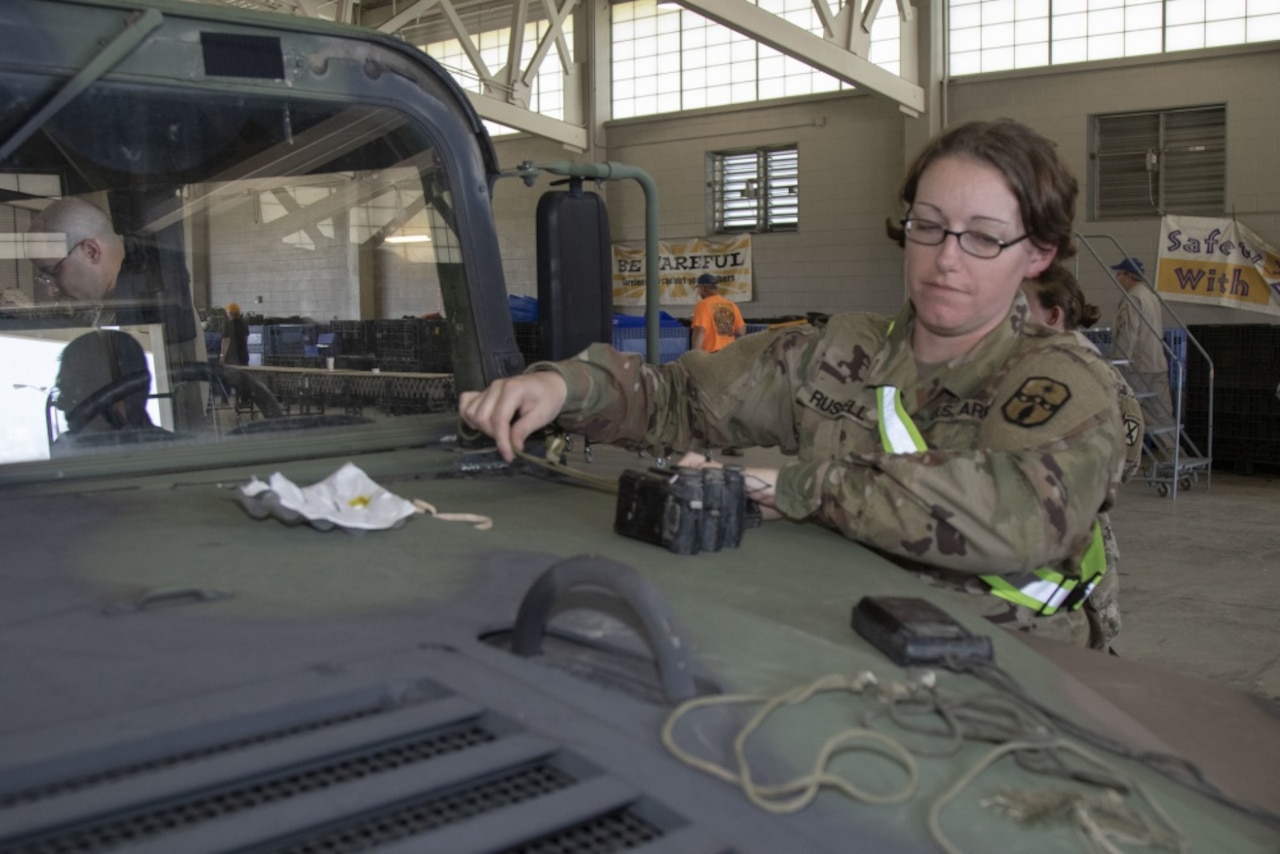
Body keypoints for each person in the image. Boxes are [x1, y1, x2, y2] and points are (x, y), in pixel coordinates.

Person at [460, 119, 1128, 648]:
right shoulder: (836, 352)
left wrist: (795, 488)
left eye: (982, 238)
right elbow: (679, 397)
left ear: (1037, 254)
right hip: (848, 644)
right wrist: (562, 387)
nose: (946, 258)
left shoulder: (1064, 383)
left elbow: (1016, 516)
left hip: (1018, 673)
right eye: (928, 227)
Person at [1022, 267, 1145, 650]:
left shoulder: (1096, 377)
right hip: (1020, 550)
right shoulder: (1010, 373)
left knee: (1090, 650)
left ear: (1053, 315)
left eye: (1016, 306)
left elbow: (1128, 457)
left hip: (1081, 547)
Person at [50, 330, 175, 456]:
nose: (61, 404)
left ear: (117, 392)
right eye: (63, 391)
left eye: (72, 391)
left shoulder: (178, 454)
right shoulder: (180, 449)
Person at [1111, 257, 1175, 452]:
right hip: (1157, 362)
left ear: (1129, 276)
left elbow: (1129, 333)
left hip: (1138, 365)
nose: (1117, 277)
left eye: (1120, 273)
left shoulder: (1133, 297)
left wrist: (1118, 362)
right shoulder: (1150, 296)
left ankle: (1120, 455)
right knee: (1161, 414)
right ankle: (1175, 455)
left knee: (1125, 410)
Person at [690, 273, 745, 353]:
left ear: (702, 288)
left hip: (710, 355)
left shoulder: (703, 305)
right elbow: (741, 331)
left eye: (698, 289)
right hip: (729, 353)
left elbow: (700, 331)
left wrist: (694, 355)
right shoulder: (731, 305)